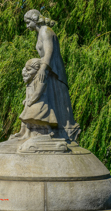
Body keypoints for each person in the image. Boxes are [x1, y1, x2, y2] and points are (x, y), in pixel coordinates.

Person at [23, 9, 80, 141]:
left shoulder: (45, 31)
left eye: (28, 23)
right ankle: (42, 128)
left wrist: (43, 68)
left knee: (57, 99)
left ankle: (63, 130)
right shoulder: (40, 32)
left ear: (34, 20)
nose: (27, 26)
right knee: (46, 97)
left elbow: (49, 51)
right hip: (48, 69)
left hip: (53, 71)